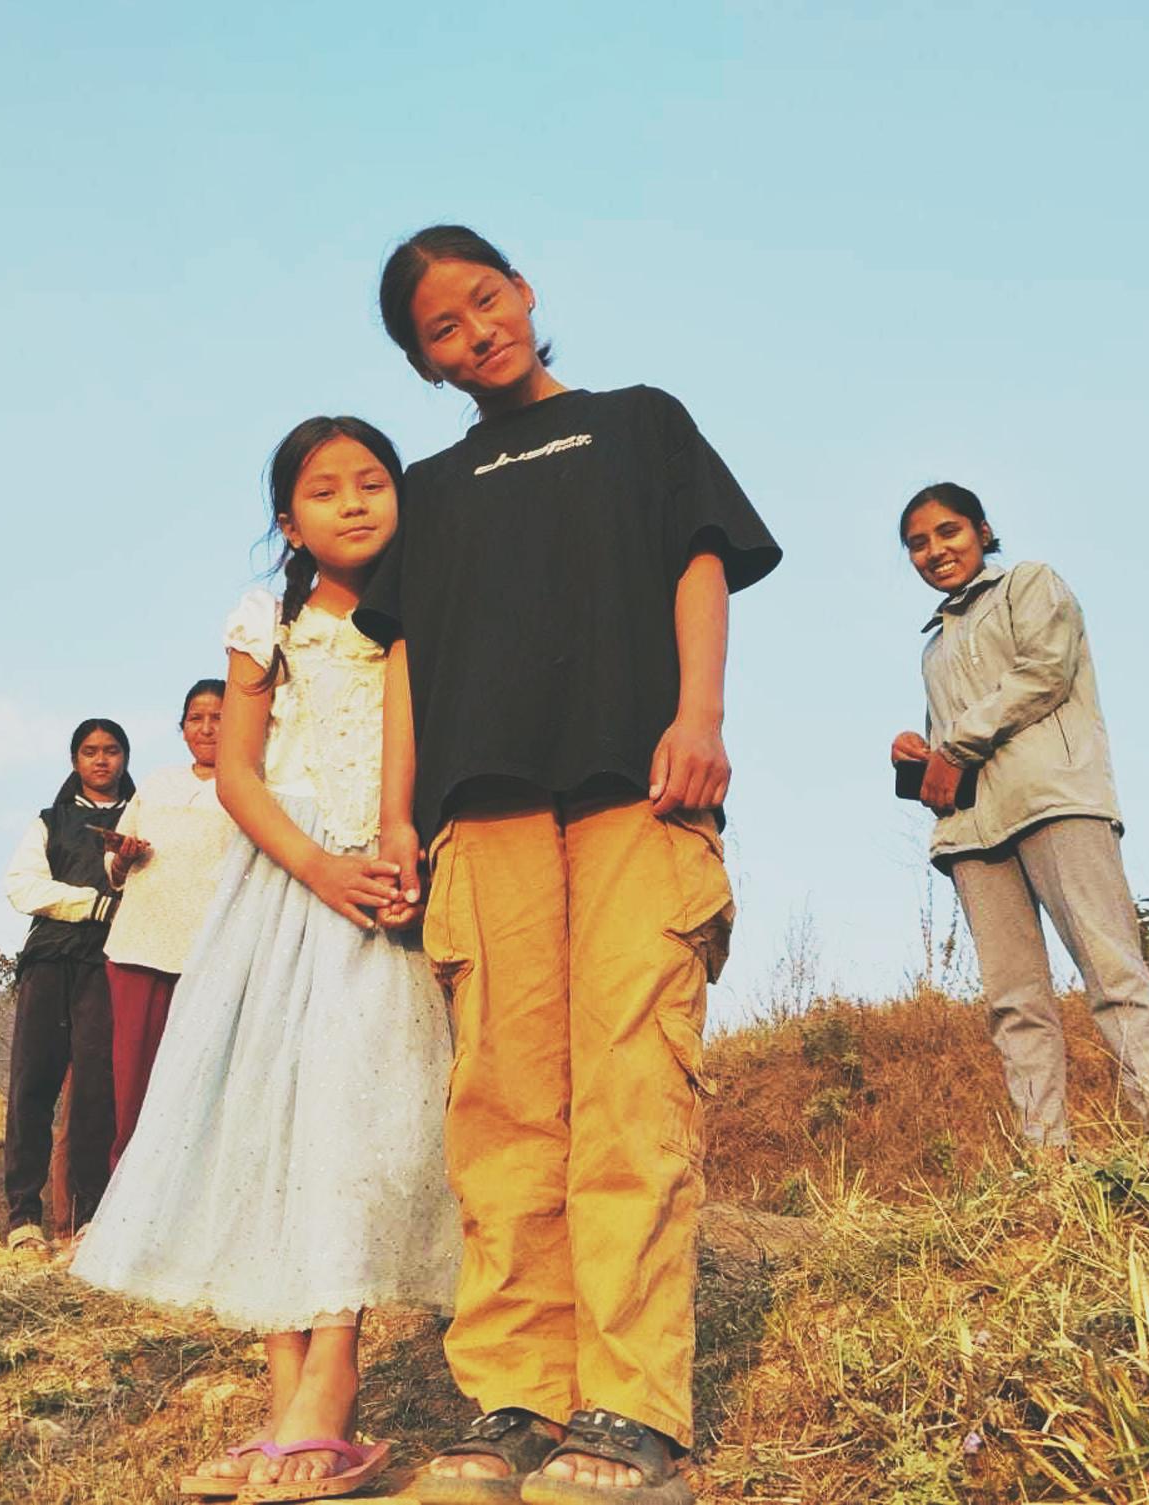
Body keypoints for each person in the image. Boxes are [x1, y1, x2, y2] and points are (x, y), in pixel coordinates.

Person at [358, 225, 781, 1505]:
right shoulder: (430, 489)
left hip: (633, 787)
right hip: (481, 813)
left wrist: (699, 716)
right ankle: (516, 1397)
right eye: (441, 328)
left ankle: (632, 1405)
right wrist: (394, 817)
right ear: (425, 365)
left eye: (483, 299)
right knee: (500, 1108)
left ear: (524, 291)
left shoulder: (637, 421)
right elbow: (405, 654)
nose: (475, 330)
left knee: (629, 1086)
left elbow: (698, 560)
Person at [73, 417, 458, 1501]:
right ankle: (287, 1401)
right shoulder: (265, 619)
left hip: (377, 885)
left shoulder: (416, 611)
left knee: (349, 1124)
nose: (353, 501)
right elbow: (237, 774)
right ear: (289, 523)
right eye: (324, 490)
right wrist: (316, 866)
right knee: (269, 1124)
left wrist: (385, 847)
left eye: (372, 481)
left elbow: (407, 747)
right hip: (284, 882)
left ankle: (332, 1390)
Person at [889, 482, 1149, 1153]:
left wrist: (954, 747)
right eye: (917, 543)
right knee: (1013, 1000)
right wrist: (921, 752)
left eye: (948, 532)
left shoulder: (1029, 584)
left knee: (1110, 965)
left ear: (982, 530)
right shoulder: (933, 646)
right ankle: (1045, 1155)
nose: (935, 550)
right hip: (973, 831)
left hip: (1054, 800)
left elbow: (1044, 674)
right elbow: (953, 747)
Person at [1, 718, 135, 1255]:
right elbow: (23, 887)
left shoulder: (142, 819)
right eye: (90, 751)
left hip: (109, 962)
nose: (101, 760)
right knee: (32, 1085)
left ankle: (88, 1220)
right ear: (75, 760)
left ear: (125, 758)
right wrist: (91, 903)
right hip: (49, 961)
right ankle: (23, 1219)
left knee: (99, 1092)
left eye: (111, 750)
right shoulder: (49, 821)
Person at [97, 678, 233, 1167]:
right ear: (182, 728)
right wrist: (122, 856)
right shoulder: (157, 783)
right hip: (138, 946)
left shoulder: (250, 787)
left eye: (218, 718)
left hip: (209, 955)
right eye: (196, 719)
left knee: (197, 1080)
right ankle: (126, 1187)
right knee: (133, 1080)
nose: (206, 728)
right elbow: (114, 867)